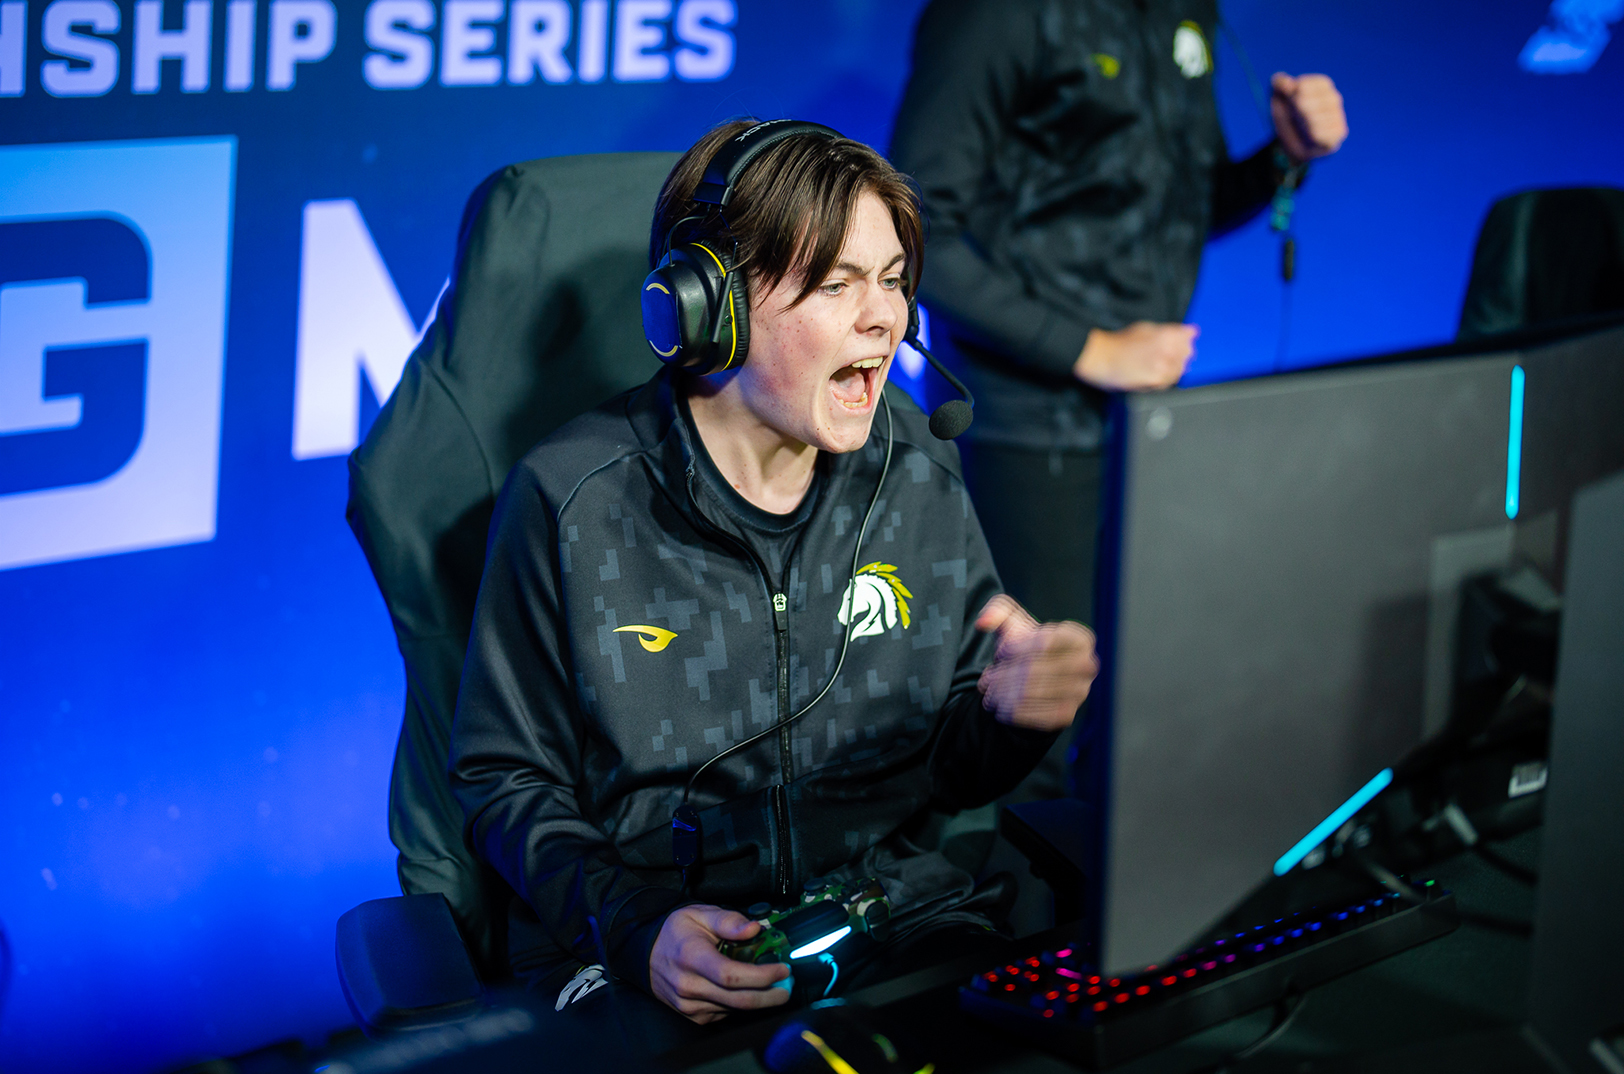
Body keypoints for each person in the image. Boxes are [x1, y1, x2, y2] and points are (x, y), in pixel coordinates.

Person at [449, 119, 1100, 1039]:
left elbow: (952, 776)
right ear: (708, 310)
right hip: (647, 949)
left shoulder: (916, 471)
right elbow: (503, 778)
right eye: (836, 284)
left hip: (884, 923)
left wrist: (1013, 714)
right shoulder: (574, 498)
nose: (885, 318)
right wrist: (638, 930)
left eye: (892, 280)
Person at [889, 0, 1349, 803]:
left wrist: (1284, 156)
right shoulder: (998, 14)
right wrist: (1089, 349)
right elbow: (917, 230)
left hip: (1143, 416)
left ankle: (1104, 880)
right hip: (1024, 420)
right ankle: (1016, 886)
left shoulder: (1186, 10)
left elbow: (1179, 200)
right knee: (1034, 717)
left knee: (1123, 704)